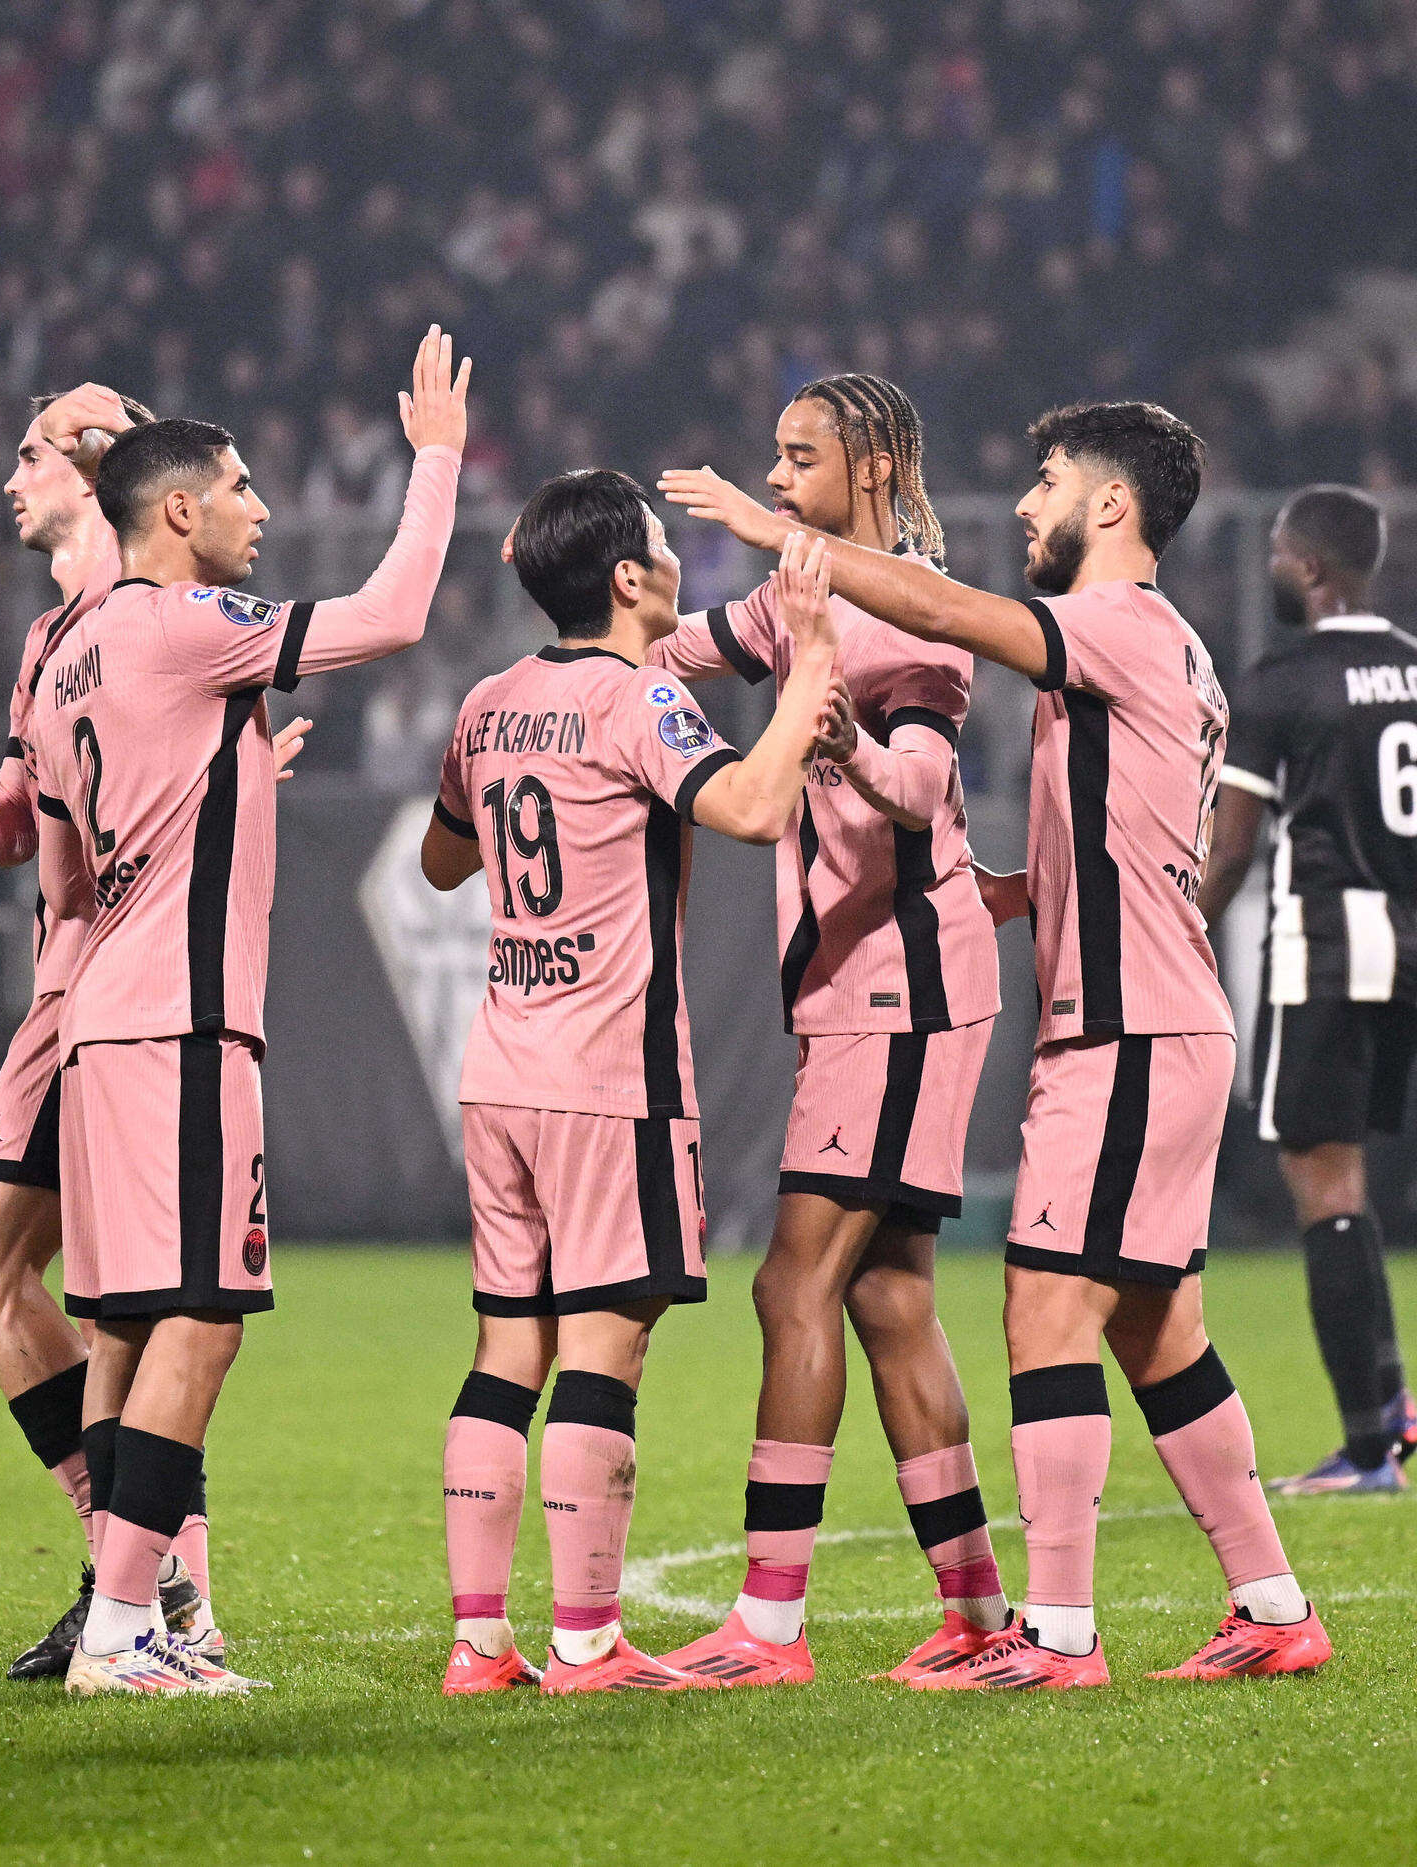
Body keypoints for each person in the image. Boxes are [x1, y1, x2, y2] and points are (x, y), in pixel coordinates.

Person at [664, 400, 1329, 1687]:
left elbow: (945, 614)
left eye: (1048, 482)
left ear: (1112, 508)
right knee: (1156, 1331)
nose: (1026, 504)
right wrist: (1025, 884)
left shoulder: (1114, 625)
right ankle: (1271, 1605)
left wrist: (778, 540)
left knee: (1043, 1302)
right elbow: (1130, 829)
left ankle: (1055, 1635)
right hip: (1156, 1019)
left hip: (1128, 1030)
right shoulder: (1171, 648)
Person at [19, 328, 469, 1696]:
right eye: (239, 486)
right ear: (175, 511)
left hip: (99, 1018)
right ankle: (123, 1627)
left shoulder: (67, 653)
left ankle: (127, 1617)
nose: (261, 508)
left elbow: (61, 872)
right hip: (184, 1019)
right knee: (204, 1316)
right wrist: (437, 460)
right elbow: (391, 614)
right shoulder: (180, 623)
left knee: (133, 1324)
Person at [624, 376, 1012, 1687]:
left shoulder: (909, 612)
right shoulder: (800, 603)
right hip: (859, 989)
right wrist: (597, 627)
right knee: (890, 1297)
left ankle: (769, 1624)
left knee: (793, 1283)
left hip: (897, 994)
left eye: (802, 459)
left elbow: (923, 779)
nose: (779, 477)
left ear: (878, 462)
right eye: (773, 459)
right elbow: (674, 652)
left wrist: (840, 745)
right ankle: (976, 1614)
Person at [425, 479, 842, 1697]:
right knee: (608, 1343)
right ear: (623, 579)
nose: (678, 564)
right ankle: (589, 1646)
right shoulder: (635, 694)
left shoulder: (489, 701)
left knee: (508, 1346)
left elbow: (441, 859)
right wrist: (810, 656)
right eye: (666, 548)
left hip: (498, 1065)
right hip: (609, 1078)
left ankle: (477, 1644)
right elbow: (756, 807)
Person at [0, 385, 315, 1679]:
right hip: (81, 990)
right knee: (86, 1295)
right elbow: (37, 794)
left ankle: (141, 1586)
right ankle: (139, 1585)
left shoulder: (160, 618)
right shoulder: (54, 636)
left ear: (103, 465)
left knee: (90, 1293)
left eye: (34, 449)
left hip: (108, 988)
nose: (13, 474)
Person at [1197, 484, 1417, 1495]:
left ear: (1311, 568)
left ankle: (1369, 1445)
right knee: (1343, 1182)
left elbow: (1233, 852)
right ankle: (1388, 1405)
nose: (1274, 566)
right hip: (1414, 960)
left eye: (1281, 553)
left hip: (1322, 950)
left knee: (1319, 1186)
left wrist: (1170, 933)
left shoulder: (1281, 681)